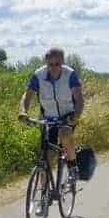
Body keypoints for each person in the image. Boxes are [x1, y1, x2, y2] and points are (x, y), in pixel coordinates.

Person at [18, 46, 85, 176]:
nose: (54, 67)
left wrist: (76, 116)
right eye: (50, 64)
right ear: (46, 63)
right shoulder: (38, 75)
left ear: (62, 63)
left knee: (65, 134)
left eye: (57, 64)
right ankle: (44, 192)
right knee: (47, 157)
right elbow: (27, 95)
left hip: (68, 115)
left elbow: (79, 99)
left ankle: (72, 166)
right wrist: (23, 111)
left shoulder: (70, 74)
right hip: (48, 116)